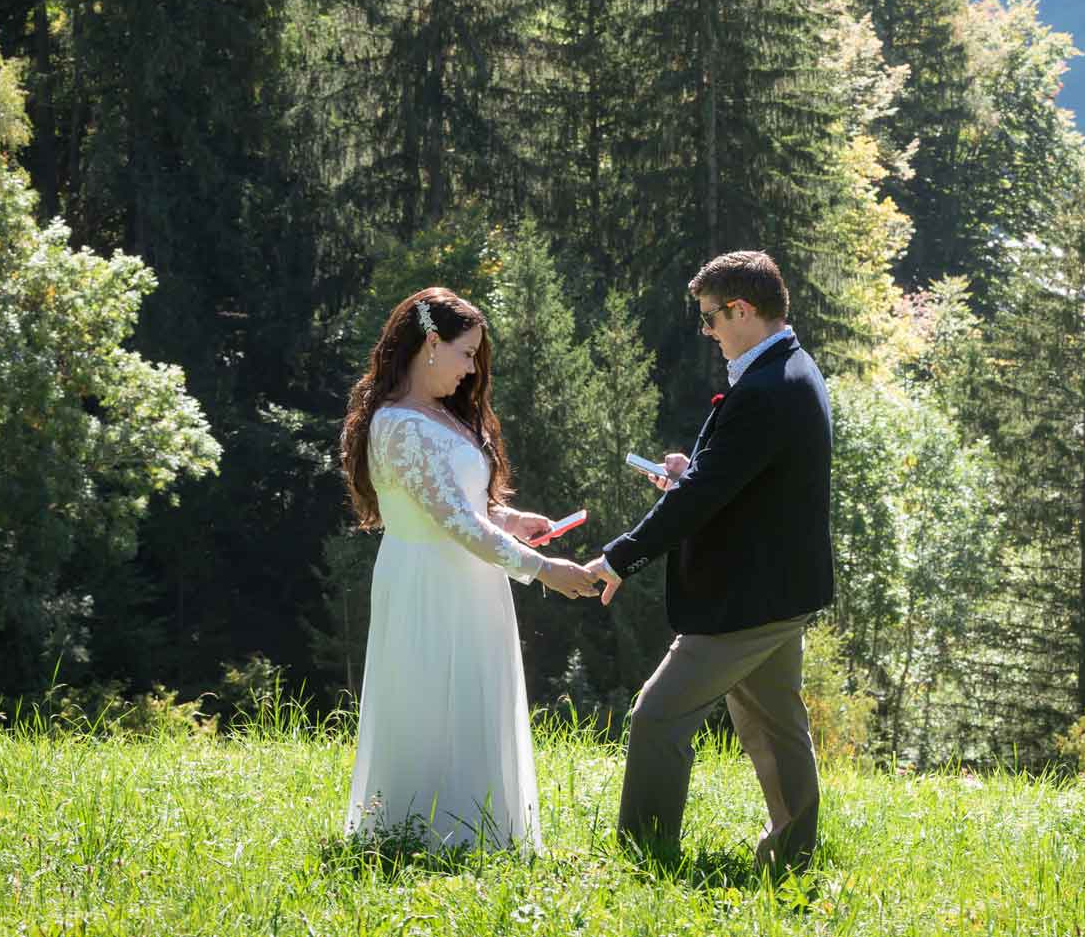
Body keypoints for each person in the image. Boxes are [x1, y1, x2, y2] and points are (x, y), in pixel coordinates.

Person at [587, 250, 835, 871]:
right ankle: (794, 858)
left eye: (710, 318)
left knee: (657, 718)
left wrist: (619, 558)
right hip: (777, 589)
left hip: (745, 599)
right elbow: (733, 480)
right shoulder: (788, 369)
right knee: (776, 727)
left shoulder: (768, 388)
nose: (707, 331)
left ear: (742, 309)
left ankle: (645, 857)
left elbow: (705, 499)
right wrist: (689, 474)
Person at [339, 287, 599, 851]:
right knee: (434, 697)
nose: (470, 369)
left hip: (472, 578)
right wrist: (541, 569)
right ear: (432, 344)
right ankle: (422, 835)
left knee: (475, 696)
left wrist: (510, 518)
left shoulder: (441, 415)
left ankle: (483, 833)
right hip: (428, 580)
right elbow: (452, 521)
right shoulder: (399, 424)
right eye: (465, 353)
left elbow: (466, 506)